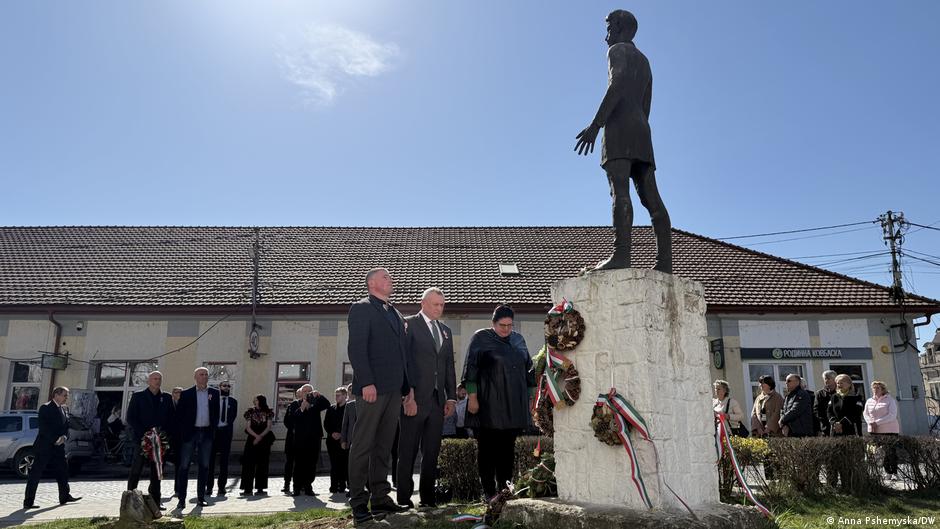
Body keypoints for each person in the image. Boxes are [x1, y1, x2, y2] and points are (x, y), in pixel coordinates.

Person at [574, 9, 671, 273]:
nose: (606, 35)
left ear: (619, 28)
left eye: (608, 28)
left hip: (619, 127)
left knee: (620, 192)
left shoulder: (616, 50)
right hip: (642, 130)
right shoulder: (645, 61)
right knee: (651, 197)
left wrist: (596, 125)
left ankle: (621, 256)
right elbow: (646, 104)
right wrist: (639, 128)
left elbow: (616, 85)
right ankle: (665, 263)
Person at [346, 268, 412, 523]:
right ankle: (358, 502)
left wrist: (406, 387)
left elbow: (401, 353)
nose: (390, 279)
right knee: (363, 445)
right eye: (385, 277)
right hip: (372, 388)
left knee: (384, 446)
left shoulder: (394, 312)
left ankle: (380, 498)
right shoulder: (361, 308)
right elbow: (357, 348)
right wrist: (367, 382)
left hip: (394, 389)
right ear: (372, 283)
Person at [463, 304, 535, 499]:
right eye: (502, 325)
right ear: (493, 323)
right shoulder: (481, 338)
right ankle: (488, 493)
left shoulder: (518, 340)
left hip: (513, 404)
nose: (506, 329)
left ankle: (505, 491)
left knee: (507, 451)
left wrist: (531, 397)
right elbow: (471, 368)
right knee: (487, 451)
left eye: (510, 325)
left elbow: (529, 369)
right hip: (488, 404)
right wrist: (472, 397)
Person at [397, 287, 458, 508]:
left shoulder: (446, 331)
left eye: (442, 305)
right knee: (408, 451)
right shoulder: (408, 324)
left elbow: (448, 365)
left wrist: (451, 398)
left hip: (437, 401)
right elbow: (403, 362)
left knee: (431, 452)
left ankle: (428, 499)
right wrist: (408, 394)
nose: (439, 308)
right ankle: (404, 499)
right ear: (423, 303)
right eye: (435, 304)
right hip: (414, 399)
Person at [23, 387, 81, 509]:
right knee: (36, 473)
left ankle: (64, 496)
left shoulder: (64, 409)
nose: (67, 398)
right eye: (65, 395)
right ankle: (28, 502)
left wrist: (64, 437)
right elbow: (44, 428)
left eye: (67, 395)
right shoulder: (45, 408)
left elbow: (66, 426)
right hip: (44, 446)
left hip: (59, 448)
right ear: (56, 395)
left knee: (63, 471)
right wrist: (55, 439)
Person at [174, 367, 221, 509]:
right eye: (201, 374)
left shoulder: (214, 393)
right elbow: (179, 415)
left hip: (206, 433)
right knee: (184, 466)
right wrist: (183, 432)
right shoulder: (186, 393)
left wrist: (213, 429)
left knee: (205, 466)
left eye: (206, 374)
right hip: (190, 433)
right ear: (195, 377)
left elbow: (216, 413)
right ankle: (181, 499)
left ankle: (201, 498)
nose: (204, 376)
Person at [126, 371, 174, 509]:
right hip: (142, 440)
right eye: (154, 378)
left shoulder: (166, 397)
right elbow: (131, 418)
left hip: (160, 441)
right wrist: (145, 434)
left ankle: (156, 502)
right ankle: (130, 501)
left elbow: (172, 418)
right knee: (136, 470)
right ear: (149, 381)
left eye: (159, 379)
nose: (157, 381)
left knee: (157, 473)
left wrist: (164, 434)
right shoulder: (138, 396)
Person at [287, 384, 331, 496]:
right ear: (301, 393)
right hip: (300, 438)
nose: (307, 393)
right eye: (305, 391)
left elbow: (327, 404)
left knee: (312, 463)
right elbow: (292, 419)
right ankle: (296, 488)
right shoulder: (295, 404)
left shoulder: (316, 403)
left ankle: (308, 487)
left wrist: (319, 395)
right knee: (299, 463)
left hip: (314, 437)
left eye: (309, 391)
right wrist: (302, 408)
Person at [207, 380, 237, 497]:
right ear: (219, 387)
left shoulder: (233, 402)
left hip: (226, 433)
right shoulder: (214, 400)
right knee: (210, 462)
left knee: (224, 462)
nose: (226, 388)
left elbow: (233, 417)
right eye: (224, 386)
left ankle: (221, 487)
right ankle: (209, 487)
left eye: (228, 386)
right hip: (214, 433)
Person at [240, 394, 275, 495]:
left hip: (264, 439)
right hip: (252, 438)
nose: (254, 401)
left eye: (256, 400)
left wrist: (260, 437)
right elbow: (248, 427)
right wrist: (256, 436)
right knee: (248, 463)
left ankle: (260, 487)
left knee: (263, 463)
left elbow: (268, 427)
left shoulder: (268, 412)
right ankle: (247, 488)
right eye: (254, 400)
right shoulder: (250, 412)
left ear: (261, 401)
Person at [864, 381, 900, 474]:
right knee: (880, 452)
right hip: (875, 430)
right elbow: (865, 414)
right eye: (874, 388)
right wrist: (870, 422)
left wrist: (877, 422)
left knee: (890, 452)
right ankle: (887, 472)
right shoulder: (869, 401)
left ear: (883, 389)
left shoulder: (890, 400)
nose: (875, 390)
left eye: (877, 388)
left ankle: (894, 472)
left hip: (889, 430)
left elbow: (892, 415)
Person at [324, 386, 349, 494]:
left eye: (338, 395)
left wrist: (341, 434)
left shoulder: (349, 408)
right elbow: (326, 423)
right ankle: (333, 487)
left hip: (343, 441)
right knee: (334, 464)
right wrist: (332, 433)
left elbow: (350, 424)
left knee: (343, 464)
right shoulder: (331, 408)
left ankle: (342, 486)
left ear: (345, 396)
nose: (336, 397)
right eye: (336, 395)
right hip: (332, 441)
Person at [281, 387, 303, 494]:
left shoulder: (308, 405)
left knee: (301, 463)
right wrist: (293, 428)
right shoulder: (292, 406)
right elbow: (286, 421)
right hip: (291, 438)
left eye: (300, 394)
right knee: (289, 462)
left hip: (302, 439)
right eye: (298, 394)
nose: (299, 396)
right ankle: (287, 484)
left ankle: (300, 484)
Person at [815, 371, 838, 437]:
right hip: (825, 425)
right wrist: (823, 420)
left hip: (838, 424)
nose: (826, 380)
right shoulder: (820, 393)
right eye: (825, 379)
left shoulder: (839, 392)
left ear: (835, 379)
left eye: (828, 378)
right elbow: (816, 409)